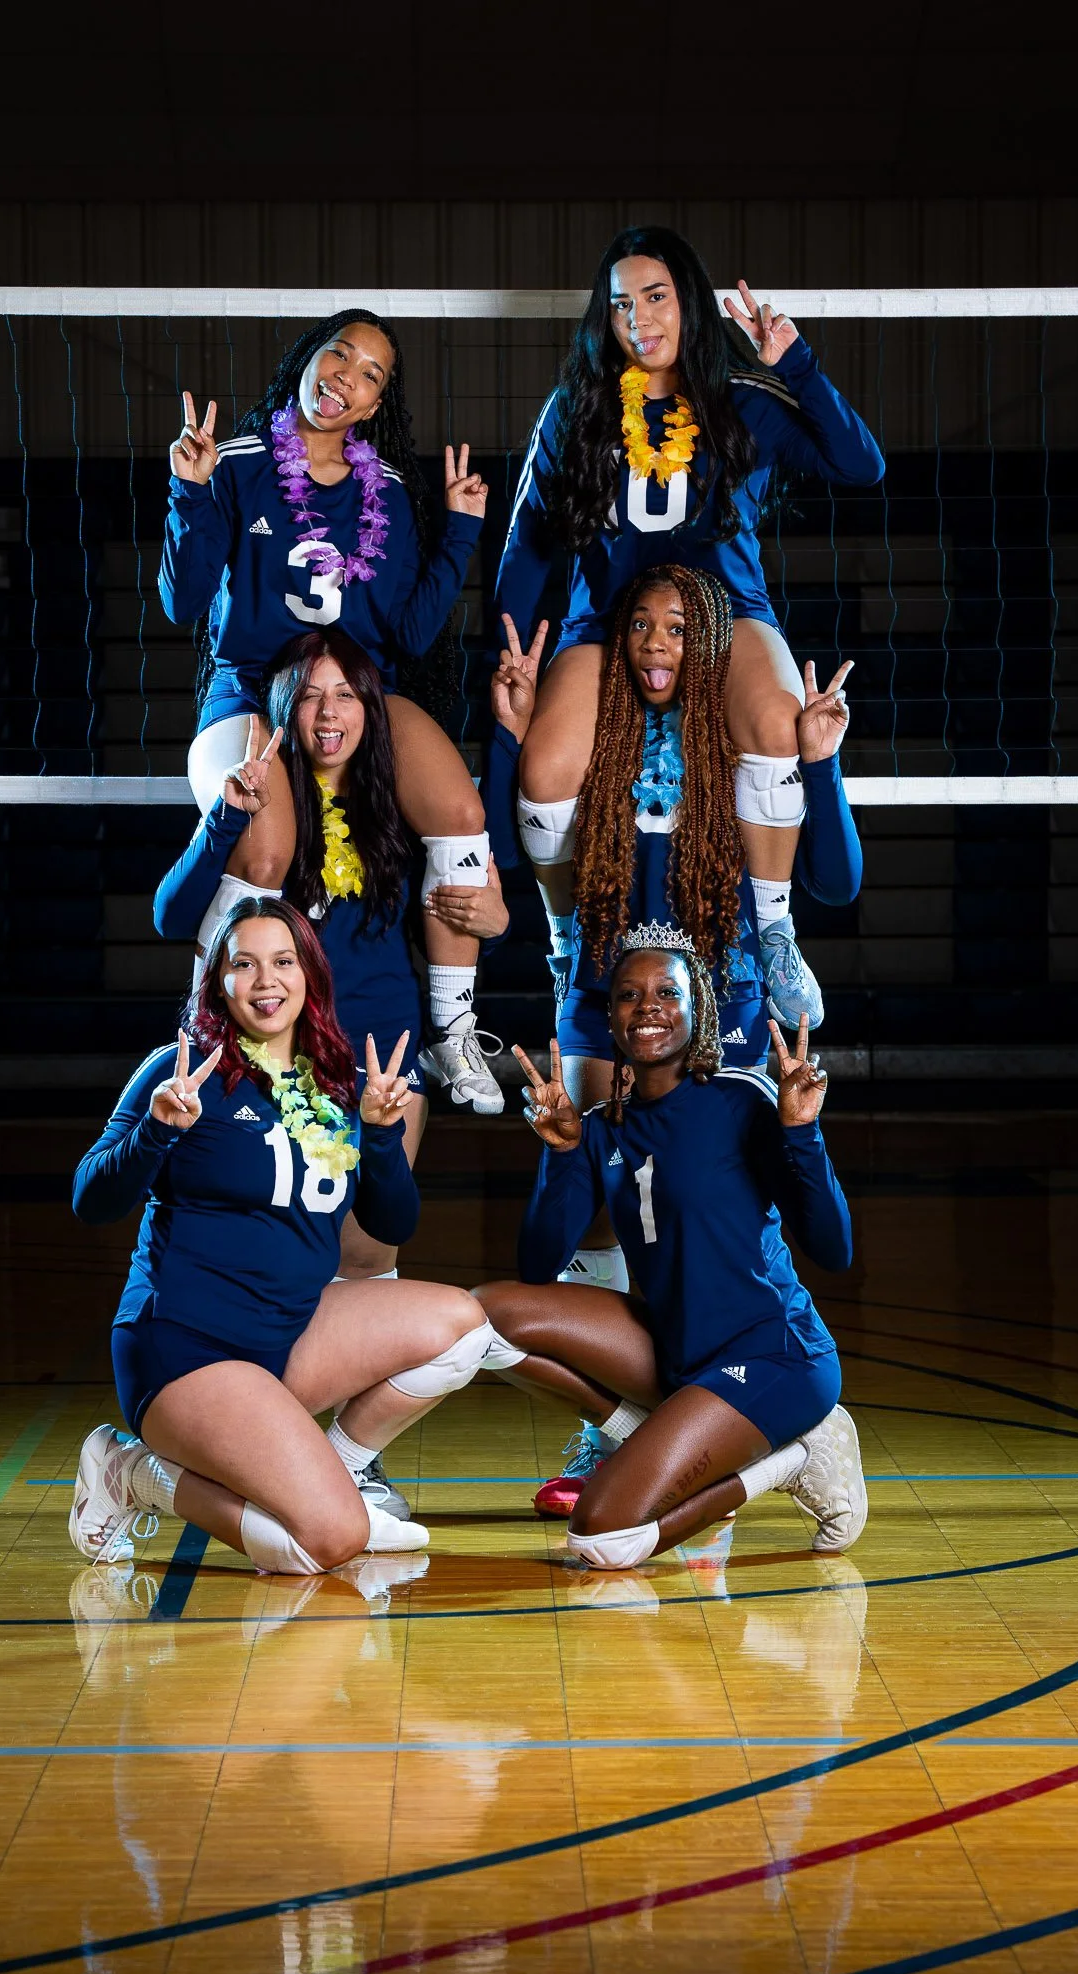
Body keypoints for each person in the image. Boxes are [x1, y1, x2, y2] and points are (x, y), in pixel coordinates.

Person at [487, 565, 861, 1510]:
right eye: (640, 627)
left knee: (715, 1198)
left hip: (718, 996)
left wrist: (819, 758)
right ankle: (613, 1426)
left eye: (678, 630)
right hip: (603, 991)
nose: (657, 644)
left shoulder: (737, 760)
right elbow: (508, 844)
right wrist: (510, 733)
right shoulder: (594, 752)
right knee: (602, 1199)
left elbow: (839, 878)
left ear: (708, 650)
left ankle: (765, 1397)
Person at [495, 224, 883, 1029]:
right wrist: (515, 648)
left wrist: (794, 363)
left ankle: (773, 929)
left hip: (725, 613)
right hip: (604, 621)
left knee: (778, 722)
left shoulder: (739, 397)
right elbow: (530, 542)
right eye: (619, 304)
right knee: (544, 771)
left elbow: (861, 465)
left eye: (655, 296)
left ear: (690, 303)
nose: (637, 317)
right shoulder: (578, 407)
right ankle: (569, 942)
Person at [69, 897, 523, 1579]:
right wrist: (157, 1131)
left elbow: (393, 1225)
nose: (265, 980)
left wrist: (378, 1136)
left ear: (310, 974)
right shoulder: (182, 1070)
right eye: (243, 964)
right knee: (325, 1545)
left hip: (287, 1337)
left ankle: (335, 1476)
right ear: (216, 982)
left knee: (461, 1324)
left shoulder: (335, 1087)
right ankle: (132, 1472)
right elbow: (90, 1199)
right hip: (186, 1351)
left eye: (282, 961)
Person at [159, 309, 503, 1109]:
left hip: (352, 696)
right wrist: (191, 490)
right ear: (307, 363)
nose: (347, 374)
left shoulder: (382, 489)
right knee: (265, 854)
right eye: (337, 353)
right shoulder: (237, 461)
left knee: (458, 808)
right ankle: (212, 1026)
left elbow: (409, 633)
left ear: (374, 404)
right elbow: (182, 603)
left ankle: (451, 1031)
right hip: (252, 691)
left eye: (370, 372)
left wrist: (459, 532)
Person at [475, 932, 867, 1568]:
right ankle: (665, 1436)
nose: (647, 1006)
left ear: (699, 1009)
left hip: (770, 1356)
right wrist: (563, 1153)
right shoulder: (603, 1125)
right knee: (487, 1316)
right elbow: (537, 1267)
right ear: (610, 1018)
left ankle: (793, 1460)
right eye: (629, 995)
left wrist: (803, 1133)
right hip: (674, 1348)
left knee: (600, 1533)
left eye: (667, 992)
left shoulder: (742, 1099)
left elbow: (834, 1248)